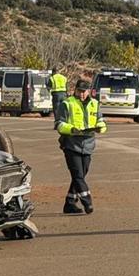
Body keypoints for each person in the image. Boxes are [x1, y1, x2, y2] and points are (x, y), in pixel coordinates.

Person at [54, 79, 106, 214]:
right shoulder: (67, 103)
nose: (82, 94)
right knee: (78, 175)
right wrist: (71, 129)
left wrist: (101, 128)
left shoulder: (95, 104)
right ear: (75, 90)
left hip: (88, 144)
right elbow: (59, 124)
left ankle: (69, 203)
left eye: (84, 91)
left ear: (89, 91)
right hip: (71, 144)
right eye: (79, 91)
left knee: (80, 175)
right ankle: (87, 201)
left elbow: (101, 121)